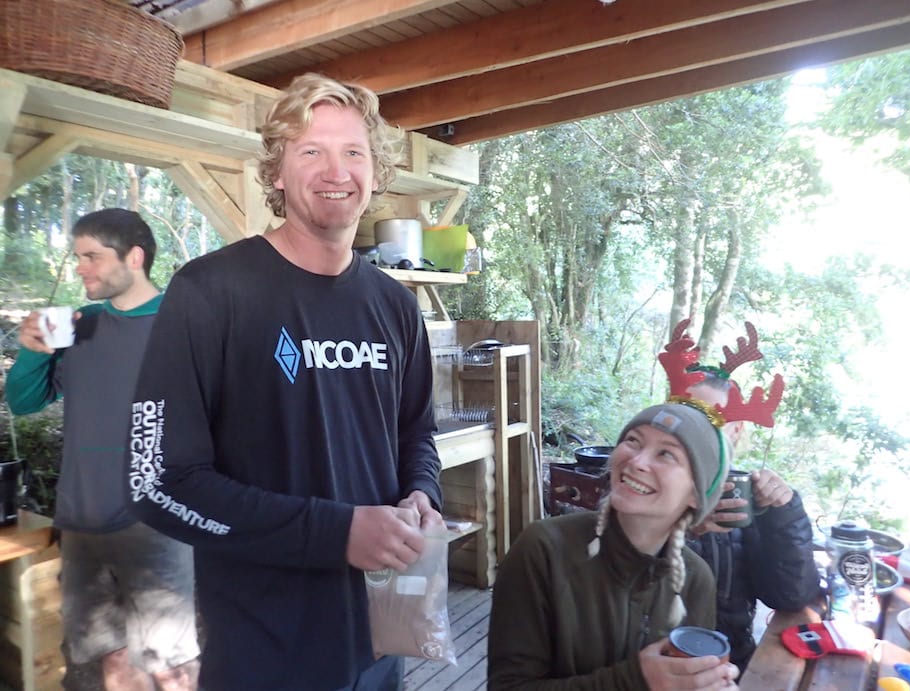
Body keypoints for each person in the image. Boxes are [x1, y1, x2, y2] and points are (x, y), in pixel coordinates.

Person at [125, 73, 443, 691]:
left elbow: (417, 433)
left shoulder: (395, 306)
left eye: (354, 152)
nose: (337, 169)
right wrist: (338, 533)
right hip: (263, 651)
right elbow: (155, 481)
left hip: (381, 638)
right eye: (311, 150)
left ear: (375, 173)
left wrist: (421, 493)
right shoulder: (209, 292)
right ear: (276, 171)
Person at [488, 330, 750, 690]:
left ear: (696, 494)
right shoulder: (544, 550)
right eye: (632, 441)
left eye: (666, 454)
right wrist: (635, 680)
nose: (637, 461)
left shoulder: (695, 579)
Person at [5, 208, 200, 691]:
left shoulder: (184, 326)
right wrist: (33, 350)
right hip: (81, 520)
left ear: (134, 258)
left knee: (169, 669)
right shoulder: (80, 324)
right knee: (102, 663)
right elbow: (25, 402)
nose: (80, 268)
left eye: (92, 256)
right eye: (78, 257)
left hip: (156, 522)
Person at [684, 322, 820, 673]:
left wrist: (785, 512)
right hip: (657, 659)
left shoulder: (748, 494)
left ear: (736, 429)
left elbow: (790, 596)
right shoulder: (642, 483)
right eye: (686, 417)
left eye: (711, 419)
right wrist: (681, 527)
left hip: (732, 658)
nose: (695, 432)